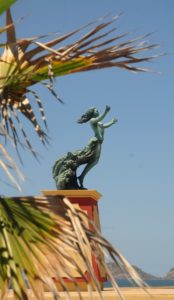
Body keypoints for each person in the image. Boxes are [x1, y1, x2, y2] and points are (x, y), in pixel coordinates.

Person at [77, 105, 117, 188]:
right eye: (95, 110)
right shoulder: (92, 120)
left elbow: (104, 125)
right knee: (89, 159)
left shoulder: (99, 122)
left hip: (99, 143)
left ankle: (81, 176)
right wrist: (106, 112)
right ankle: (80, 175)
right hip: (94, 142)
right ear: (92, 113)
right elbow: (100, 118)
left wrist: (112, 122)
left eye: (97, 110)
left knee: (95, 162)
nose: (97, 111)